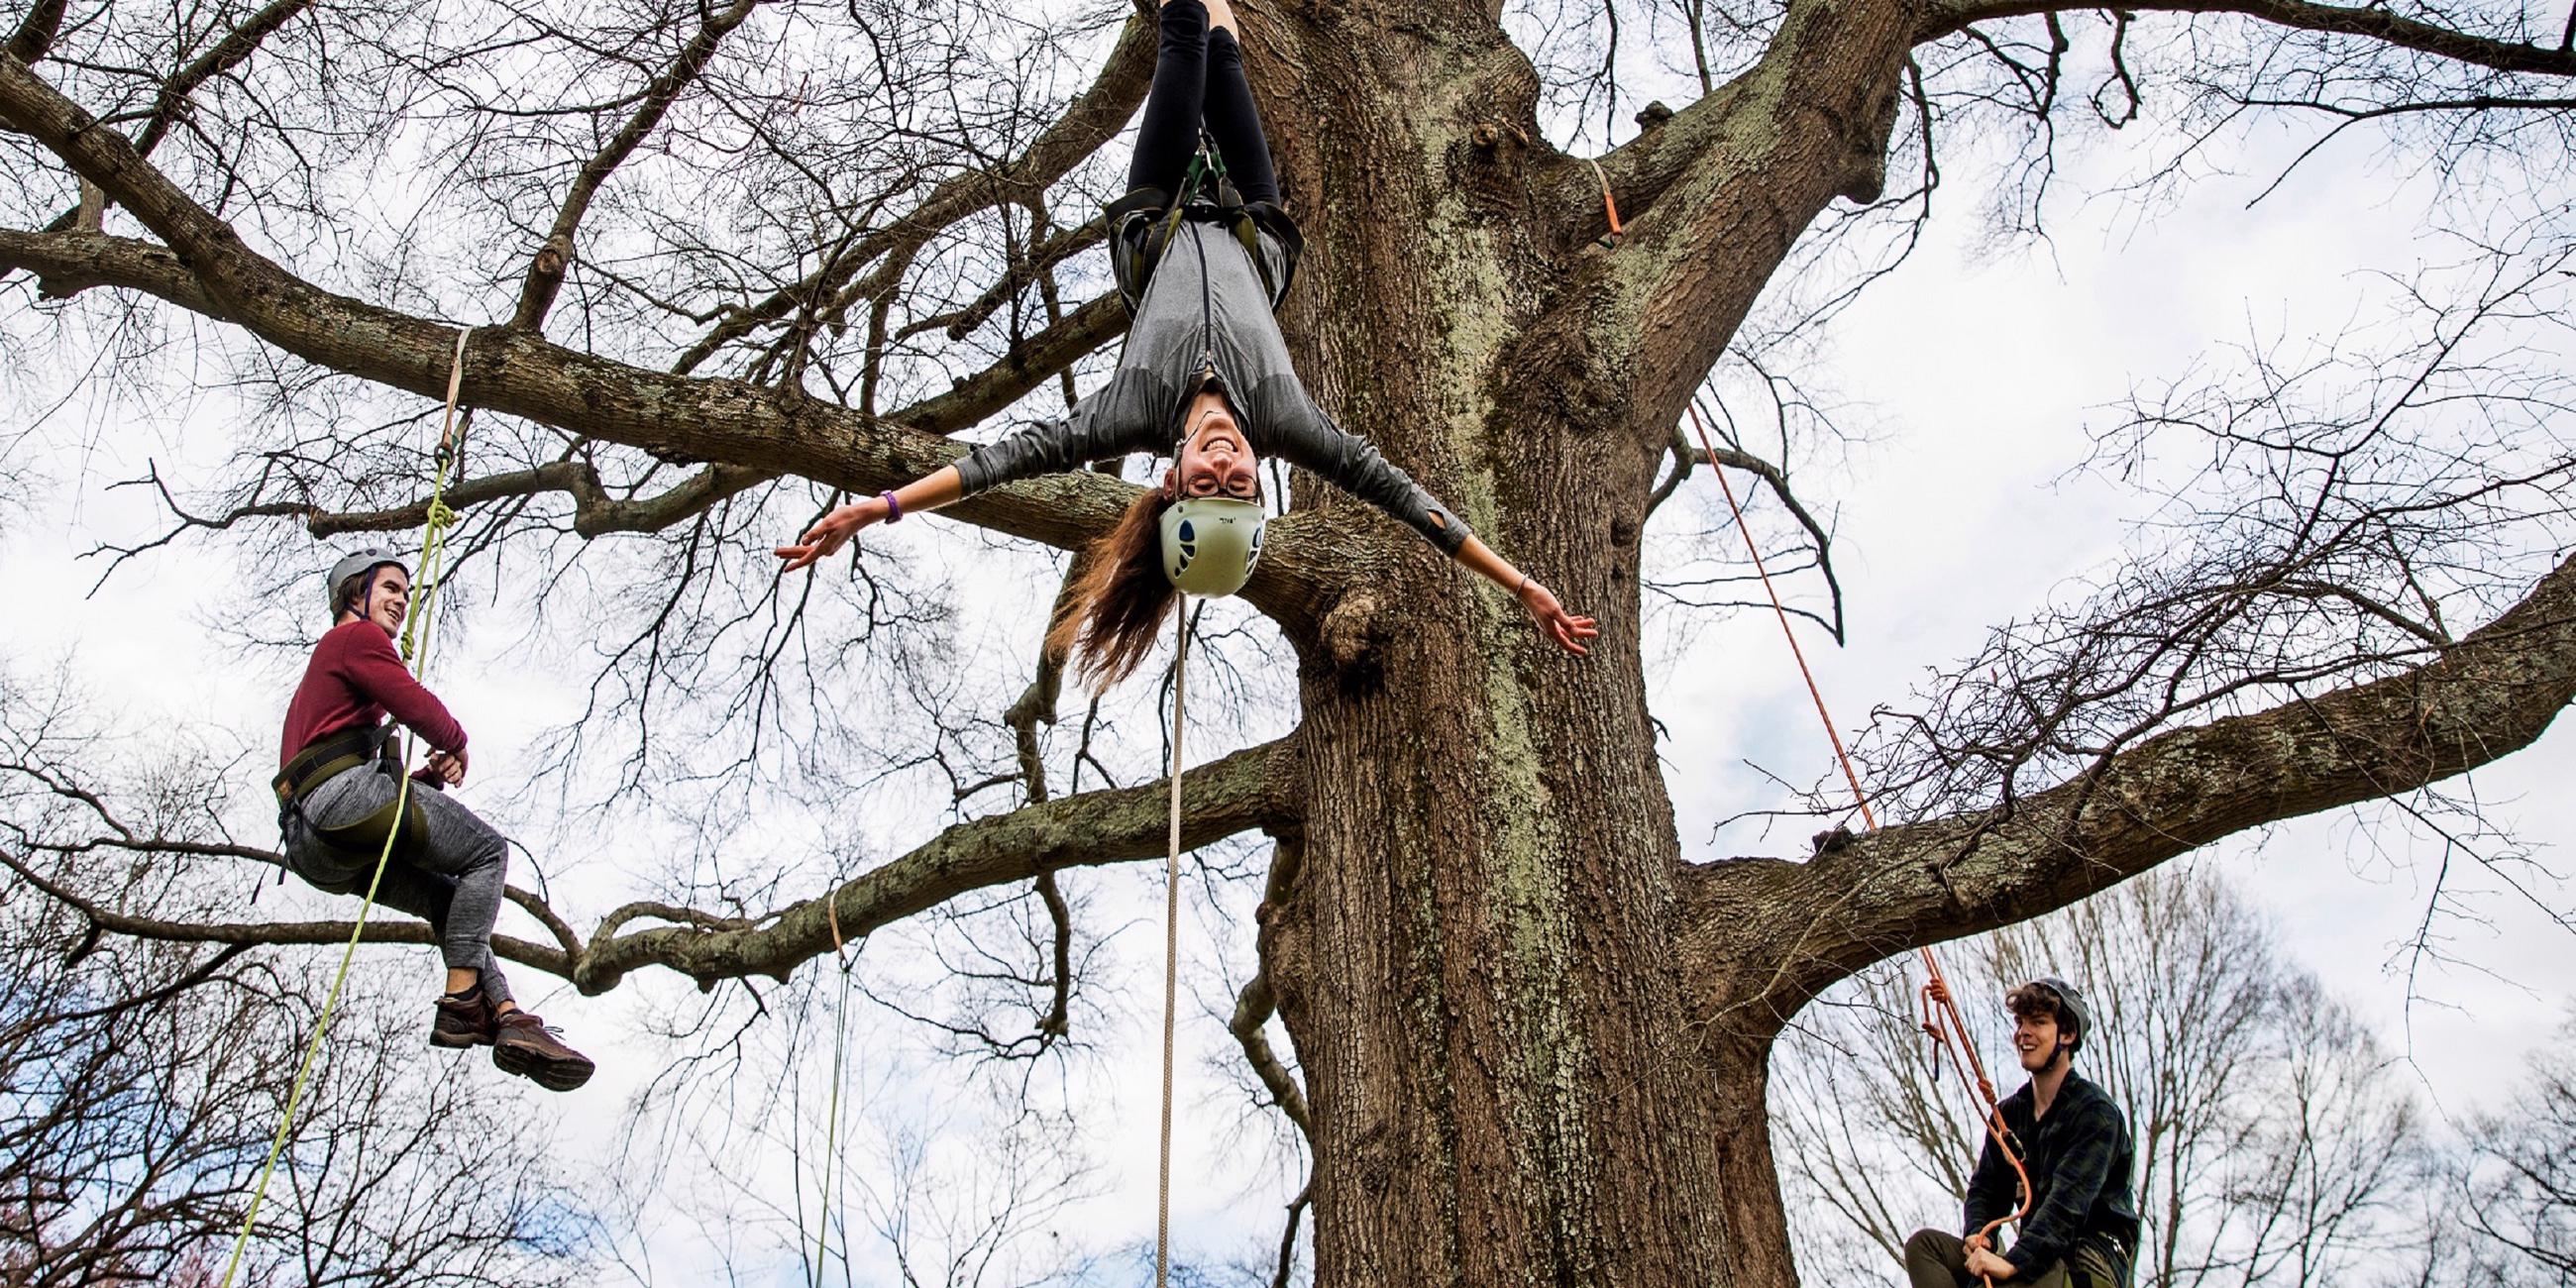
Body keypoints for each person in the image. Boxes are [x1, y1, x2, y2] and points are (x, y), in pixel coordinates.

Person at [776, 0, 1597, 684]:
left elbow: (999, 463)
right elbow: (1406, 498)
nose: (1228, 468)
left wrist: (879, 507)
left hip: (1159, 211)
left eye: (1207, 486)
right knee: (1227, 56)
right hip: (1254, 217)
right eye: (1241, 487)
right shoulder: (1284, 419)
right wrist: (1521, 585)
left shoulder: (1126, 413)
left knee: (1181, 37)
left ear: (1172, 483)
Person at [271, 550, 595, 1092]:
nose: (401, 600)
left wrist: (426, 778)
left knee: (449, 901)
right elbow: (411, 701)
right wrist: (455, 741)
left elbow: (360, 785)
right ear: (357, 593)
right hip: (339, 804)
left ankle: (508, 1015)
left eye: (405, 592)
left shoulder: (332, 676)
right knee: (487, 853)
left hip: (317, 845)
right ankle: (464, 997)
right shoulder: (355, 639)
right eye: (390, 588)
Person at [1903, 978, 2139, 1288]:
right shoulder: (2010, 1116)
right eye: (2020, 1022)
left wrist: (2012, 1263)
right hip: (2035, 1258)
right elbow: (1985, 1191)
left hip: (2085, 1263)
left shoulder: (2095, 1114)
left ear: (2067, 1035)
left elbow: (2065, 1208)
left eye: (2038, 1023)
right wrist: (1978, 1235)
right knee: (1925, 1247)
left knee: (2017, 1280)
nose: (2023, 1033)